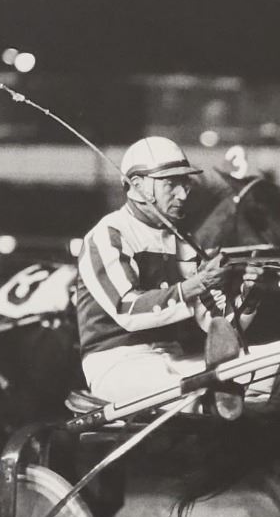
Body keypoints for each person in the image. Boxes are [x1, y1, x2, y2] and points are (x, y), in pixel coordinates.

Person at [75, 135, 235, 407]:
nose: (183, 194)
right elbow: (127, 309)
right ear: (138, 186)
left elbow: (214, 322)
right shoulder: (108, 234)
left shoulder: (183, 242)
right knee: (203, 394)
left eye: (185, 183)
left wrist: (247, 297)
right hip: (117, 364)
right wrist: (196, 284)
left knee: (254, 371)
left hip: (174, 359)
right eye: (171, 184)